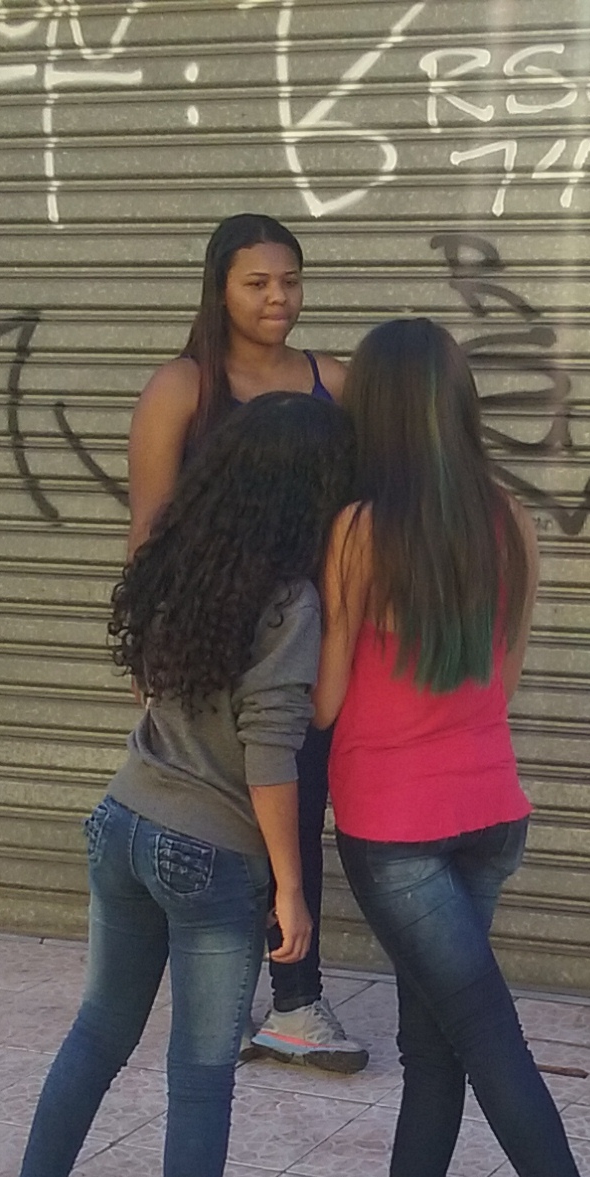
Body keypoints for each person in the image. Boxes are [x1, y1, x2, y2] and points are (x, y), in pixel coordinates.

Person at [0, 393, 354, 1177]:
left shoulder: (178, 562)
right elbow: (273, 748)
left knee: (95, 1038)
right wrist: (292, 887)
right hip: (212, 853)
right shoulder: (289, 599)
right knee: (199, 1078)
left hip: (123, 820)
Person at [316, 317, 590, 1177]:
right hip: (489, 813)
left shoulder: (358, 531)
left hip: (395, 829)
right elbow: (504, 677)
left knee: (485, 1041)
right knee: (436, 1051)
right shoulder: (510, 522)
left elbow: (325, 696)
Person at [127, 212, 362, 1074]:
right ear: (219, 288)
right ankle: (223, 1000)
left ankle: (296, 1000)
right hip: (208, 641)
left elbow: (366, 517)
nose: (278, 298)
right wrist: (149, 657)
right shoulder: (181, 388)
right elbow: (148, 532)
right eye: (257, 283)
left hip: (311, 637)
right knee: (220, 826)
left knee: (294, 813)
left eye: (290, 281)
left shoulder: (335, 382)